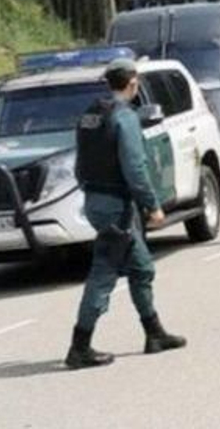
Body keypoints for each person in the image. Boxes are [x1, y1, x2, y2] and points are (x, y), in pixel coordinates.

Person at [65, 58, 186, 368]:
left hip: (97, 198)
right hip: (116, 206)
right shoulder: (124, 117)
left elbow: (80, 163)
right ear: (132, 83)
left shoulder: (91, 114)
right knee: (104, 272)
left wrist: (92, 191)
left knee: (141, 267)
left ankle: (154, 332)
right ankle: (79, 346)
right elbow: (135, 166)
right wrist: (152, 204)